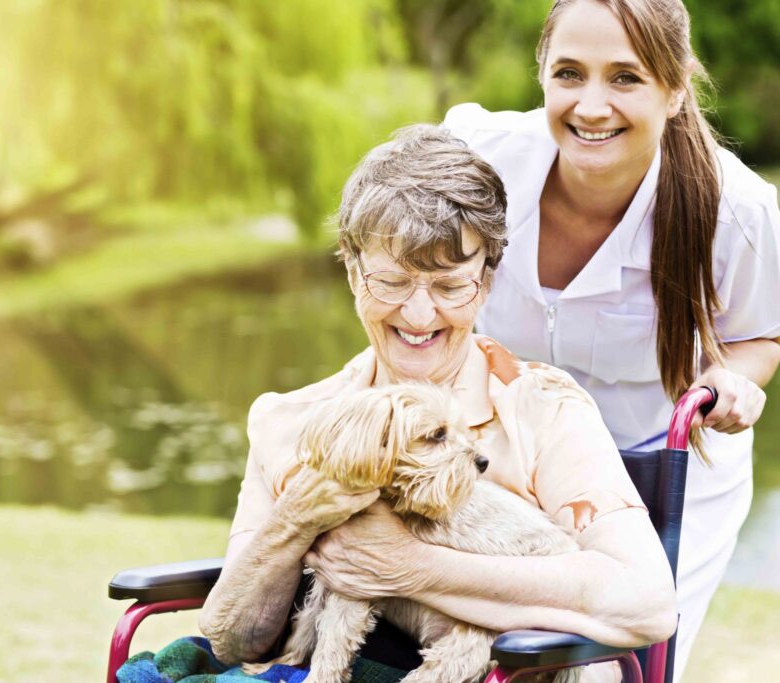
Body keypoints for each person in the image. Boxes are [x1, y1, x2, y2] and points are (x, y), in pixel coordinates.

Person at [198, 124, 676, 683]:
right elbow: (233, 640)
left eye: (450, 287)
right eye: (392, 282)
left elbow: (647, 604)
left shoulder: (544, 409)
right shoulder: (292, 421)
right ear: (353, 273)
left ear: (488, 283)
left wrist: (410, 567)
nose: (420, 317)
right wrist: (295, 520)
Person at [440, 1, 780, 679]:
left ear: (676, 87)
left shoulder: (736, 213)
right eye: (570, 73)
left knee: (615, 662)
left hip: (660, 470)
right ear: (542, 74)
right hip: (510, 460)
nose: (591, 106)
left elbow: (759, 335)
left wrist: (727, 381)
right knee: (484, 649)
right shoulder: (482, 162)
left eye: (625, 78)